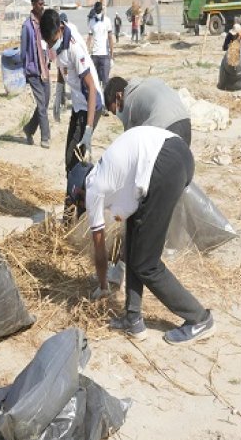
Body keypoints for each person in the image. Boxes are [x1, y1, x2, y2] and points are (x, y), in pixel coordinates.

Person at [67, 126, 214, 344]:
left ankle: (199, 319)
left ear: (79, 189)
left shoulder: (94, 187)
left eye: (78, 199)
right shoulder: (108, 173)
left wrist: (103, 285)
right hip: (175, 154)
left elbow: (99, 249)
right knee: (135, 244)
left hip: (163, 163)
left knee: (146, 264)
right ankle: (133, 319)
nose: (81, 205)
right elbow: (130, 225)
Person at [40, 8, 104, 175]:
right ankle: (75, 197)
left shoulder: (75, 49)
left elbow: (91, 88)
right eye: (48, 43)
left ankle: (79, 197)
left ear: (61, 29)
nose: (50, 46)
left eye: (52, 41)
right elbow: (62, 67)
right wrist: (59, 92)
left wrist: (88, 129)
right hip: (78, 104)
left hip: (90, 104)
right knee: (71, 161)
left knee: (74, 161)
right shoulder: (56, 40)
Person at [104, 76, 192, 146]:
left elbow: (130, 140)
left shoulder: (129, 100)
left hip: (167, 131)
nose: (118, 115)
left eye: (116, 110)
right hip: (186, 125)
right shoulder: (146, 84)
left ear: (119, 96)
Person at [20, 0, 50, 149]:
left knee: (44, 103)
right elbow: (23, 52)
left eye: (43, 3)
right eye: (39, 4)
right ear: (33, 5)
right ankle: (46, 137)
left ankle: (29, 128)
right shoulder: (27, 26)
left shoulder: (45, 22)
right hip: (33, 72)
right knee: (42, 106)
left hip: (45, 70)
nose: (42, 6)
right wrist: (25, 72)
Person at [86, 1, 114, 102]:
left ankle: (106, 103)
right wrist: (87, 53)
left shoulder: (107, 21)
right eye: (96, 9)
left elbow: (110, 38)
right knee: (95, 81)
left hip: (105, 55)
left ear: (101, 9)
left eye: (98, 9)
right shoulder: (91, 22)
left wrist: (111, 56)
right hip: (94, 56)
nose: (97, 10)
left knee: (106, 81)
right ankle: (98, 103)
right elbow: (89, 38)